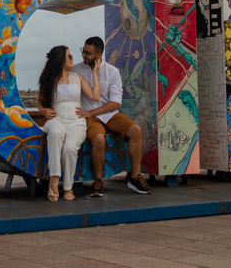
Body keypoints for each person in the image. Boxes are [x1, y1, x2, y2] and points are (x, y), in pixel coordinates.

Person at [72, 36, 150, 196]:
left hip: (109, 114)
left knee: (135, 129)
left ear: (98, 55)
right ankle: (98, 181)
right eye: (83, 51)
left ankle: (135, 177)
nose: (84, 55)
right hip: (90, 118)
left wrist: (91, 112)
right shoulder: (77, 70)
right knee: (99, 138)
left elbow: (115, 103)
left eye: (88, 53)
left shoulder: (112, 72)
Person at [37, 45, 100, 201]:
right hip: (55, 119)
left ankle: (68, 187)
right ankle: (54, 178)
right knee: (56, 133)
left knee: (69, 148)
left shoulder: (77, 77)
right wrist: (43, 111)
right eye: (69, 56)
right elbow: (39, 102)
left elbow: (95, 96)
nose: (73, 58)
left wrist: (94, 73)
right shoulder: (50, 80)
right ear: (60, 59)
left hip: (76, 122)